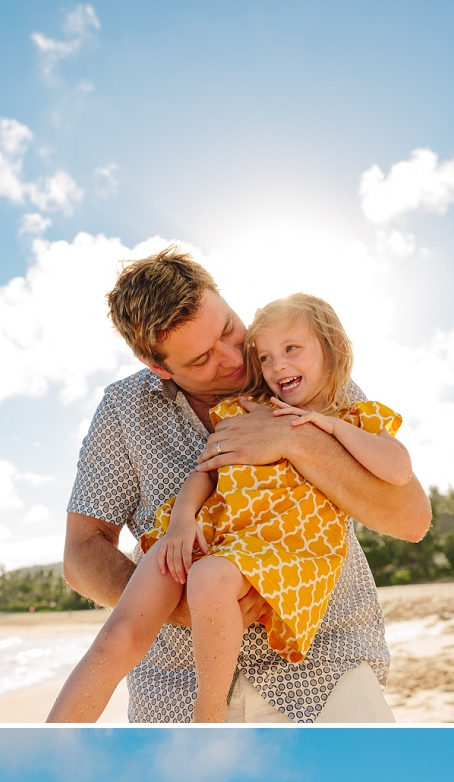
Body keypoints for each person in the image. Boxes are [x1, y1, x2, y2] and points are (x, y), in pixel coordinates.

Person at [60, 249, 433, 721]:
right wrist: (185, 608)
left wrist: (293, 440)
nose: (235, 359)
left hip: (326, 667)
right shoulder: (122, 410)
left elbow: (411, 518)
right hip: (178, 686)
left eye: (228, 329)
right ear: (160, 368)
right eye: (201, 359)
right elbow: (81, 553)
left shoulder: (297, 369)